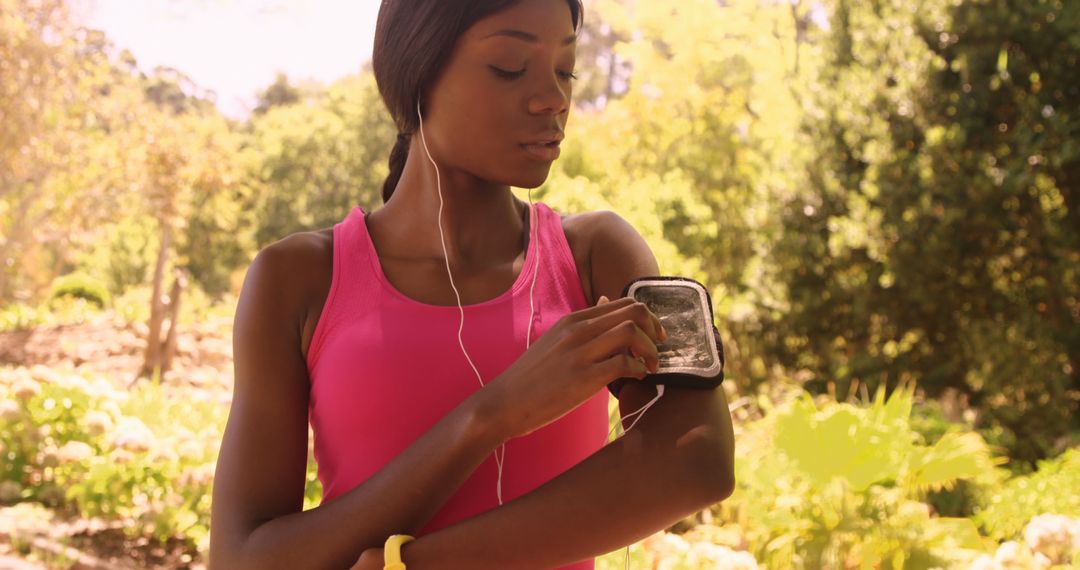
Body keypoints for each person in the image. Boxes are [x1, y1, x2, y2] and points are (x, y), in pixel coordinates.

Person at [208, 0, 735, 568]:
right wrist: (490, 417)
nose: (554, 100)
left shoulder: (600, 254)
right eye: (510, 66)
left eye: (565, 69)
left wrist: (412, 564)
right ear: (417, 71)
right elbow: (242, 558)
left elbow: (697, 459)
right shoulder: (297, 280)